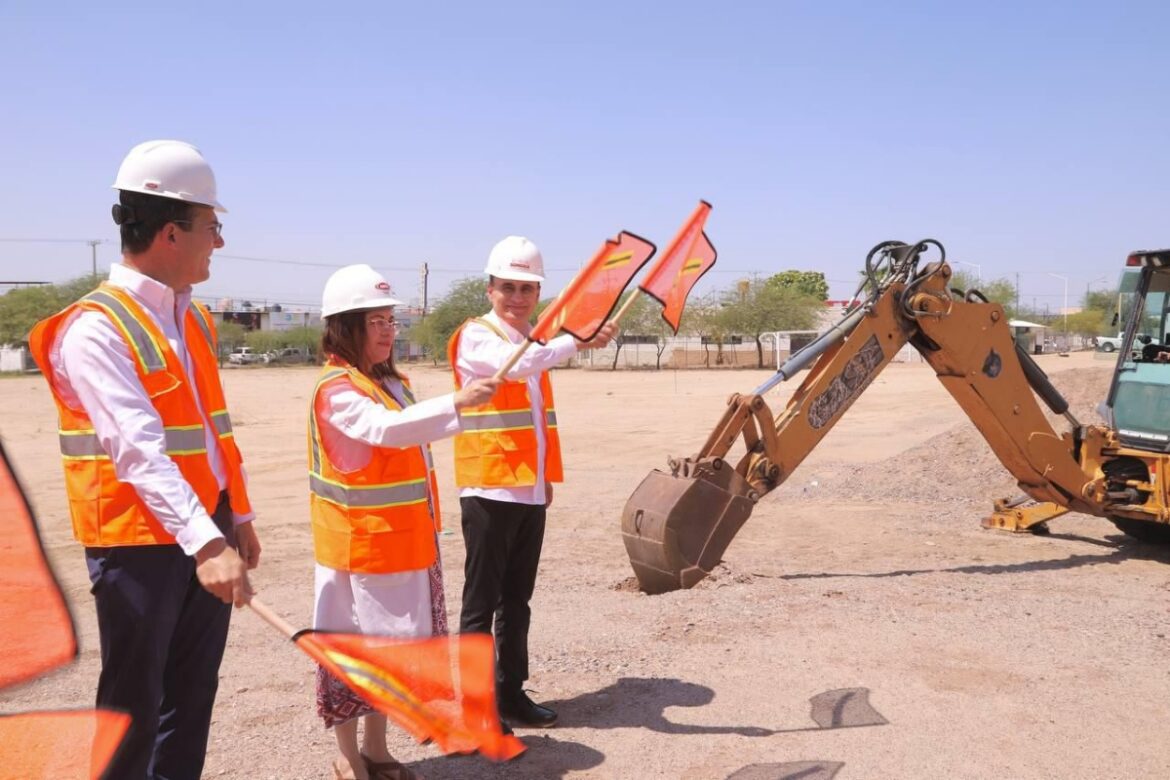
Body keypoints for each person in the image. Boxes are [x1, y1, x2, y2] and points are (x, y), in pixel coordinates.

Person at [28, 140, 260, 780]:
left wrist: (235, 515)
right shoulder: (97, 328)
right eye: (211, 227)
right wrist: (207, 544)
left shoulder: (193, 320)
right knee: (134, 705)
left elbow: (211, 433)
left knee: (191, 698)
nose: (217, 241)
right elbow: (138, 450)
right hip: (137, 542)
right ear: (168, 232)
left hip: (202, 526)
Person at [310, 264, 500, 780]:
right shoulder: (338, 390)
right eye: (376, 321)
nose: (388, 331)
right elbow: (385, 432)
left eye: (391, 321)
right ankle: (348, 757)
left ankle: (378, 749)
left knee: (394, 658)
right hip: (357, 551)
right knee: (351, 653)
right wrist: (456, 402)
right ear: (344, 327)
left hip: (404, 544)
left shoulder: (391, 382)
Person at [447, 236, 616, 728]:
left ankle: (509, 693)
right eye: (508, 287)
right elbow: (517, 367)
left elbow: (535, 419)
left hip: (527, 489)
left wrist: (543, 481)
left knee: (516, 600)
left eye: (527, 288)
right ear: (490, 289)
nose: (518, 297)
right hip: (488, 489)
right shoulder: (477, 336)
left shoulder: (533, 342)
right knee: (480, 604)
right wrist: (576, 339)